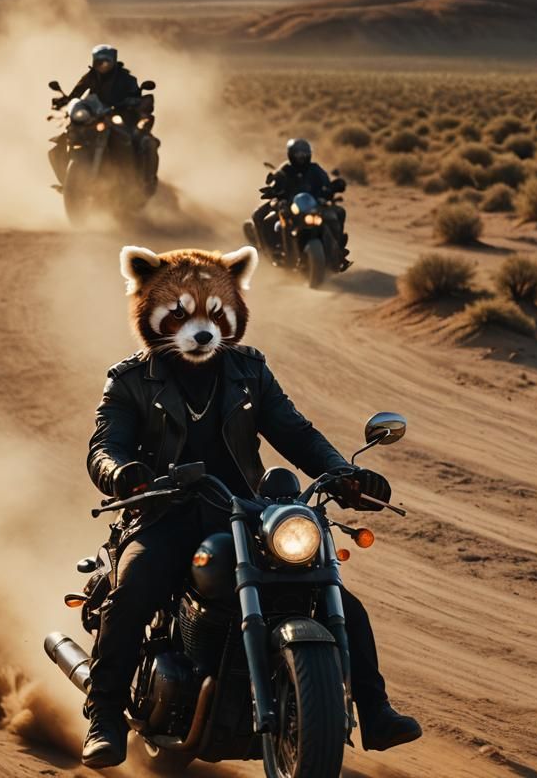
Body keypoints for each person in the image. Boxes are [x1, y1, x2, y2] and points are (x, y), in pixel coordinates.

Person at [80, 244, 420, 768]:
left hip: (244, 513)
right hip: (163, 514)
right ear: (145, 301)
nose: (200, 327)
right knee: (133, 592)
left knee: (337, 597)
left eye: (215, 314)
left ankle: (374, 710)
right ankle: (104, 717)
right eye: (180, 313)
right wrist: (122, 473)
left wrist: (344, 473)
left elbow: (295, 432)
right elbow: (104, 446)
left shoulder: (249, 372)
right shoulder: (128, 381)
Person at [52, 44, 158, 191]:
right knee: (61, 141)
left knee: (142, 141)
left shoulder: (126, 78)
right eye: (99, 61)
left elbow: (136, 96)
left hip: (118, 116)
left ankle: (141, 182)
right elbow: (76, 93)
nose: (103, 64)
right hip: (94, 116)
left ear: (113, 61)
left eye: (106, 61)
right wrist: (64, 100)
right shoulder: (90, 76)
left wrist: (134, 102)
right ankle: (68, 183)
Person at [252, 138, 350, 268]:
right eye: (297, 154)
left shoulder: (315, 170)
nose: (301, 157)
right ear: (291, 154)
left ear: (309, 154)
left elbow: (326, 184)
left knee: (338, 213)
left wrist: (334, 186)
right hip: (289, 204)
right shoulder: (286, 169)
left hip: (313, 205)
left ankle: (337, 252)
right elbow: (276, 182)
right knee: (261, 216)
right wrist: (273, 190)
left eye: (303, 153)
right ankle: (268, 251)